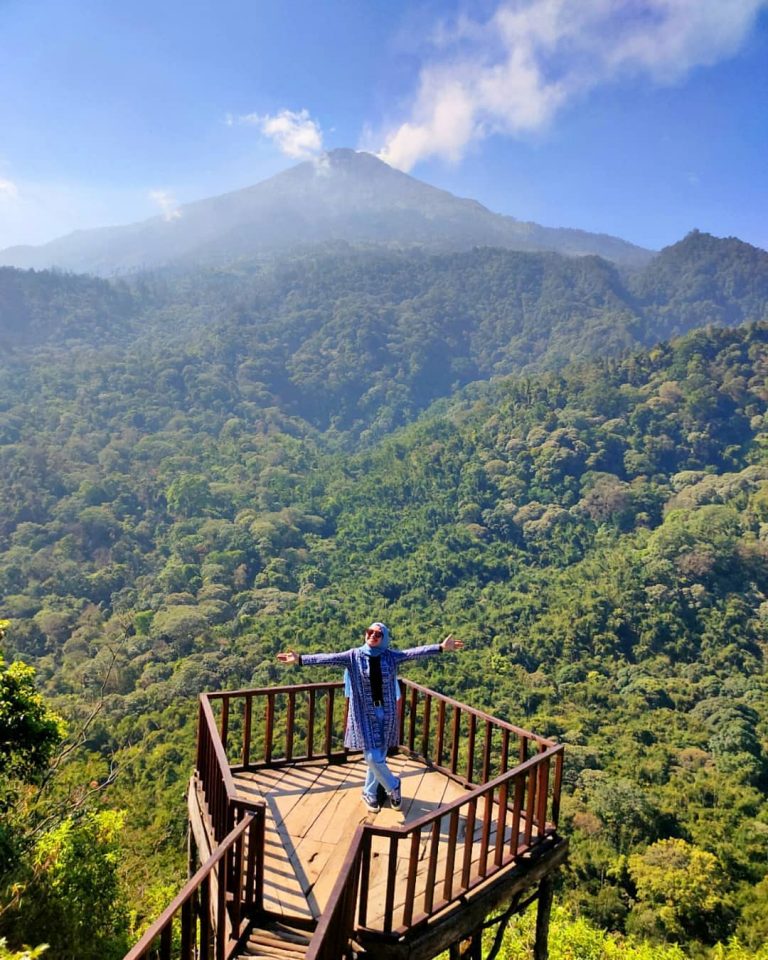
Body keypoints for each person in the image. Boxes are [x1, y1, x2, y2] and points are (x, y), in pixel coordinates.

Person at [277, 622, 464, 813]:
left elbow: (414, 653)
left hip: (387, 712)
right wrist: (299, 659)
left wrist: (440, 648)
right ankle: (393, 786)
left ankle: (369, 792)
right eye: (370, 632)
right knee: (372, 756)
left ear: (385, 638)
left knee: (378, 756)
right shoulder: (353, 656)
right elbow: (327, 659)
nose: (372, 635)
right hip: (364, 714)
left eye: (378, 633)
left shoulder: (390, 656)